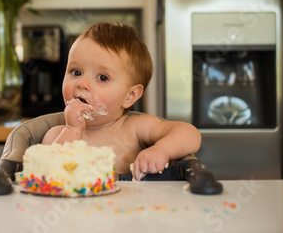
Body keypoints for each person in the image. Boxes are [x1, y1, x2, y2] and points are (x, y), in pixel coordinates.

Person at [41, 21, 202, 181]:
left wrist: (162, 149)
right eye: (76, 72)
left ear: (130, 96)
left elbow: (190, 134)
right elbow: (45, 172)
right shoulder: (57, 134)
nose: (81, 84)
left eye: (102, 77)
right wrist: (72, 130)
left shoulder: (135, 129)